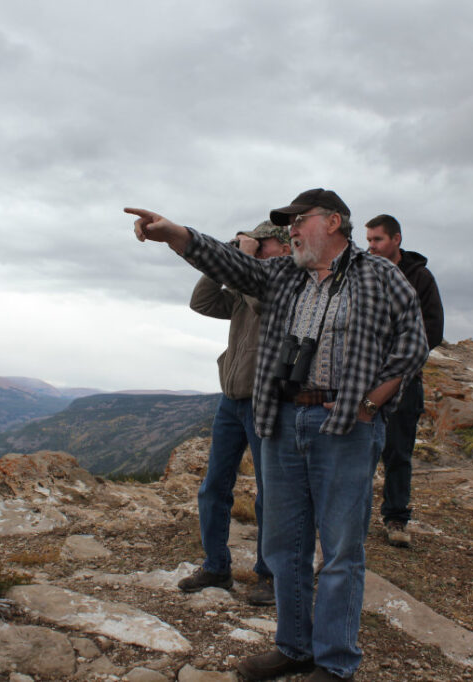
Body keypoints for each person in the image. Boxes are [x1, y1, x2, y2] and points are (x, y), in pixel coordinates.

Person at [126, 188, 428, 682]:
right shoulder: (284, 275)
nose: (290, 229)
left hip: (347, 426)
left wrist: (372, 402)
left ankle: (334, 663)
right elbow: (229, 266)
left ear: (333, 222)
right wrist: (175, 234)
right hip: (282, 421)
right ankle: (293, 647)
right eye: (286, 223)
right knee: (283, 547)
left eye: (297, 220)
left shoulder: (380, 275)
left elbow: (413, 346)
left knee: (339, 551)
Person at [179, 221, 291, 606]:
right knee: (214, 487)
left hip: (266, 398)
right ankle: (216, 565)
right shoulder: (244, 293)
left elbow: (264, 300)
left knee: (270, 494)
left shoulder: (288, 283)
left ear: (286, 246)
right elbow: (203, 303)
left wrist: (242, 261)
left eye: (264, 244)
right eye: (254, 245)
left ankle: (269, 573)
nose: (257, 250)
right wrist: (225, 261)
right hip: (232, 398)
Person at [365, 214, 445, 548]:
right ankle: (349, 515)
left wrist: (398, 355)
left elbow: (433, 331)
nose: (371, 247)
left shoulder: (420, 278)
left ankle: (396, 519)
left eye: (377, 240)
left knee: (398, 453)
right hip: (366, 378)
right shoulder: (364, 272)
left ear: (397, 239)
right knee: (359, 450)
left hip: (405, 380)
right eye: (368, 241)